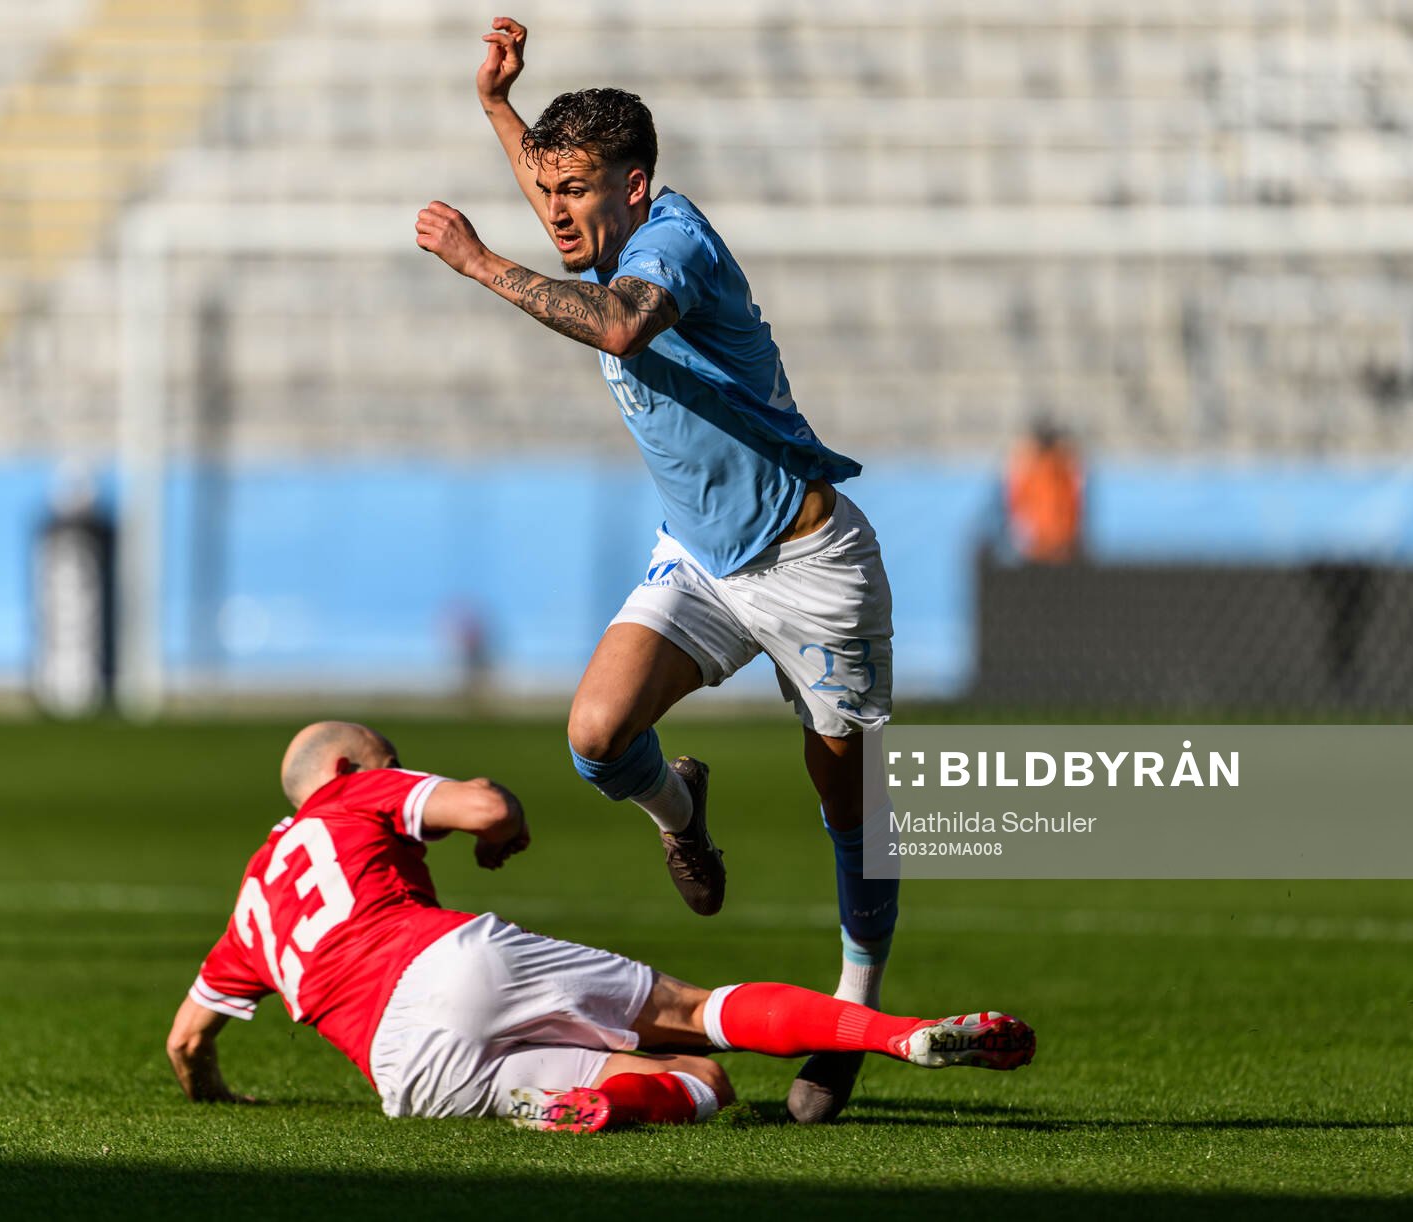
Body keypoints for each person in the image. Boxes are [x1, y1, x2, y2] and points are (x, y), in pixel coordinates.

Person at [413, 17, 898, 1123]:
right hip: (701, 558)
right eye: (549, 188)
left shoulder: (671, 244)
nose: (557, 211)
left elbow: (624, 330)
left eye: (578, 189)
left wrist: (483, 260)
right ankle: (682, 811)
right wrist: (499, 108)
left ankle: (854, 1013)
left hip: (810, 563)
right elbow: (560, 211)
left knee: (853, 802)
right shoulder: (603, 217)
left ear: (638, 185)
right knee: (595, 738)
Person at [166, 722, 1035, 1131]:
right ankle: (901, 1034)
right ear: (350, 767)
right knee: (697, 1019)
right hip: (444, 961)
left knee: (701, 1086)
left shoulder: (250, 907)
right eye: (390, 760)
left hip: (406, 1073)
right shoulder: (353, 789)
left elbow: (185, 1043)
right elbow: (485, 803)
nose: (395, 769)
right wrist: (503, 835)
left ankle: (592, 1105)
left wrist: (216, 1094)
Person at [1005, 420, 1083, 565]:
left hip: (1059, 546)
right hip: (1040, 546)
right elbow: (1017, 507)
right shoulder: (1030, 469)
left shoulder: (1062, 468)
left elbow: (1073, 505)